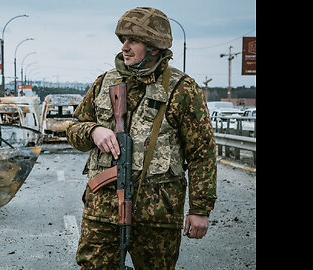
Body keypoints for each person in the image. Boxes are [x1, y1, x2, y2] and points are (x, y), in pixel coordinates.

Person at [66, 7, 217, 270]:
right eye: (123, 39)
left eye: (133, 40)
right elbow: (74, 129)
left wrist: (200, 209)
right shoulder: (105, 82)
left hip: (157, 216)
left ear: (155, 47)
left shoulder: (182, 89)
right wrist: (92, 130)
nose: (124, 47)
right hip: (102, 211)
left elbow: (201, 153)